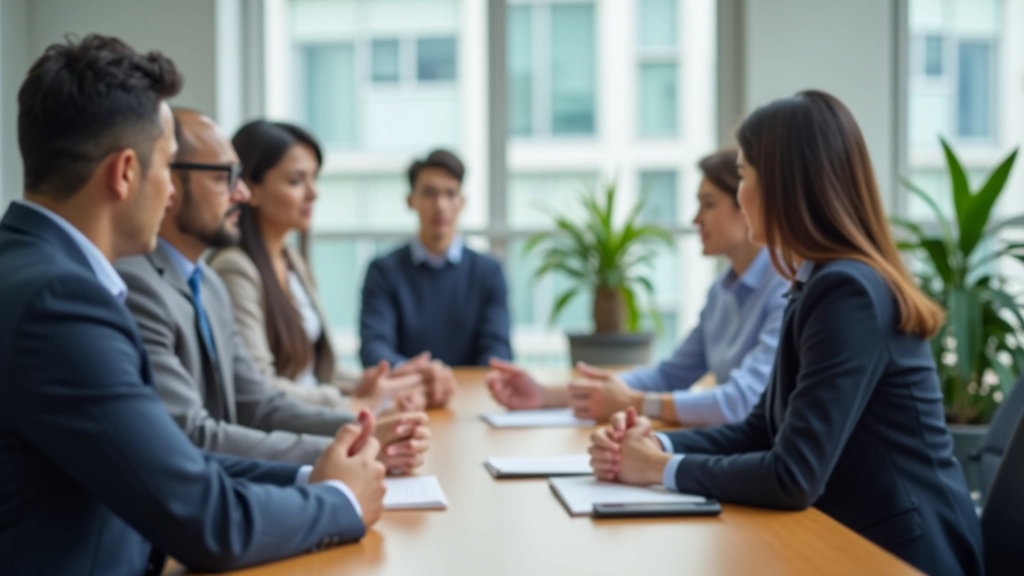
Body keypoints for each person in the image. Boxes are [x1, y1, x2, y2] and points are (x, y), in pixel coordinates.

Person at [0, 35, 385, 576]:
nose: (171, 191)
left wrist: (310, 477)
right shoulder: (61, 304)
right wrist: (339, 503)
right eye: (168, 165)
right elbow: (204, 520)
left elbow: (165, 465)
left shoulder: (33, 267)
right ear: (126, 172)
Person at [587, 91, 983, 576]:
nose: (741, 192)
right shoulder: (817, 281)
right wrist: (659, 446)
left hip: (903, 555)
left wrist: (654, 469)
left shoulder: (847, 291)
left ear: (781, 184)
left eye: (744, 175)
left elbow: (792, 476)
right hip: (854, 536)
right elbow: (761, 429)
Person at [115, 109, 430, 470]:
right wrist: (348, 444)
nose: (242, 193)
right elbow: (194, 436)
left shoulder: (210, 283)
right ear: (169, 181)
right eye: (225, 177)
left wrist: (364, 431)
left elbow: (259, 402)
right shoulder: (140, 284)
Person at [487, 149, 789, 426]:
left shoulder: (785, 288)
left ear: (747, 204)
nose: (695, 219)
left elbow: (742, 402)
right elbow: (668, 376)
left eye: (708, 204)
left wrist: (638, 404)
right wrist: (545, 394)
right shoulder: (721, 292)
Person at [208, 120, 445, 410]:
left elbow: (318, 373)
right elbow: (261, 386)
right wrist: (357, 400)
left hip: (314, 421)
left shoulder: (291, 260)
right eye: (296, 181)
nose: (313, 193)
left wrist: (384, 381)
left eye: (314, 179)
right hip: (290, 432)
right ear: (250, 189)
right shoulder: (236, 269)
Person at [359, 149, 512, 379]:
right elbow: (374, 348)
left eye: (450, 194)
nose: (440, 205)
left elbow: (497, 350)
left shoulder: (489, 272)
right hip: (407, 396)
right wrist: (420, 376)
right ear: (411, 201)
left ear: (462, 202)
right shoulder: (384, 271)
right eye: (429, 193)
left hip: (472, 395)